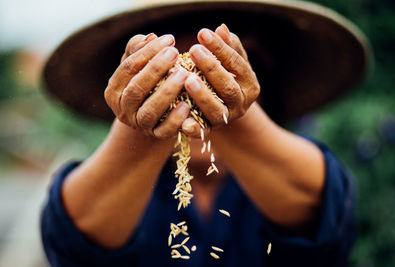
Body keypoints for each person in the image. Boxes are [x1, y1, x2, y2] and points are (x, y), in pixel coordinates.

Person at [40, 1, 370, 266]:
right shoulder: (126, 184)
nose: (185, 91)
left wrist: (230, 108)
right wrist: (140, 128)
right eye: (162, 77)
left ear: (261, 76)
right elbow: (71, 241)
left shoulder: (294, 171)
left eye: (219, 67)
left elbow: (329, 215)